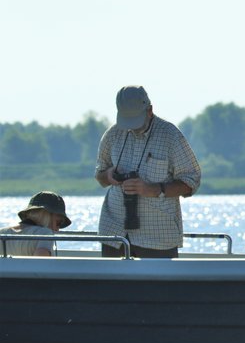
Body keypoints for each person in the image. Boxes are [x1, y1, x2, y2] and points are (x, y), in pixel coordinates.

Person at [95, 85, 201, 258]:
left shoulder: (170, 136)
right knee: (111, 285)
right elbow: (99, 176)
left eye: (135, 120)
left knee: (161, 286)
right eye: (126, 120)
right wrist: (108, 176)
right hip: (114, 234)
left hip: (157, 238)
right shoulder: (112, 134)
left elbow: (192, 182)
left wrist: (154, 190)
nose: (131, 127)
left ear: (150, 110)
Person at [0, 191, 71, 256]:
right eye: (58, 222)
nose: (57, 229)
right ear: (46, 216)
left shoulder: (2, 232)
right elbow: (40, 266)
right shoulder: (45, 234)